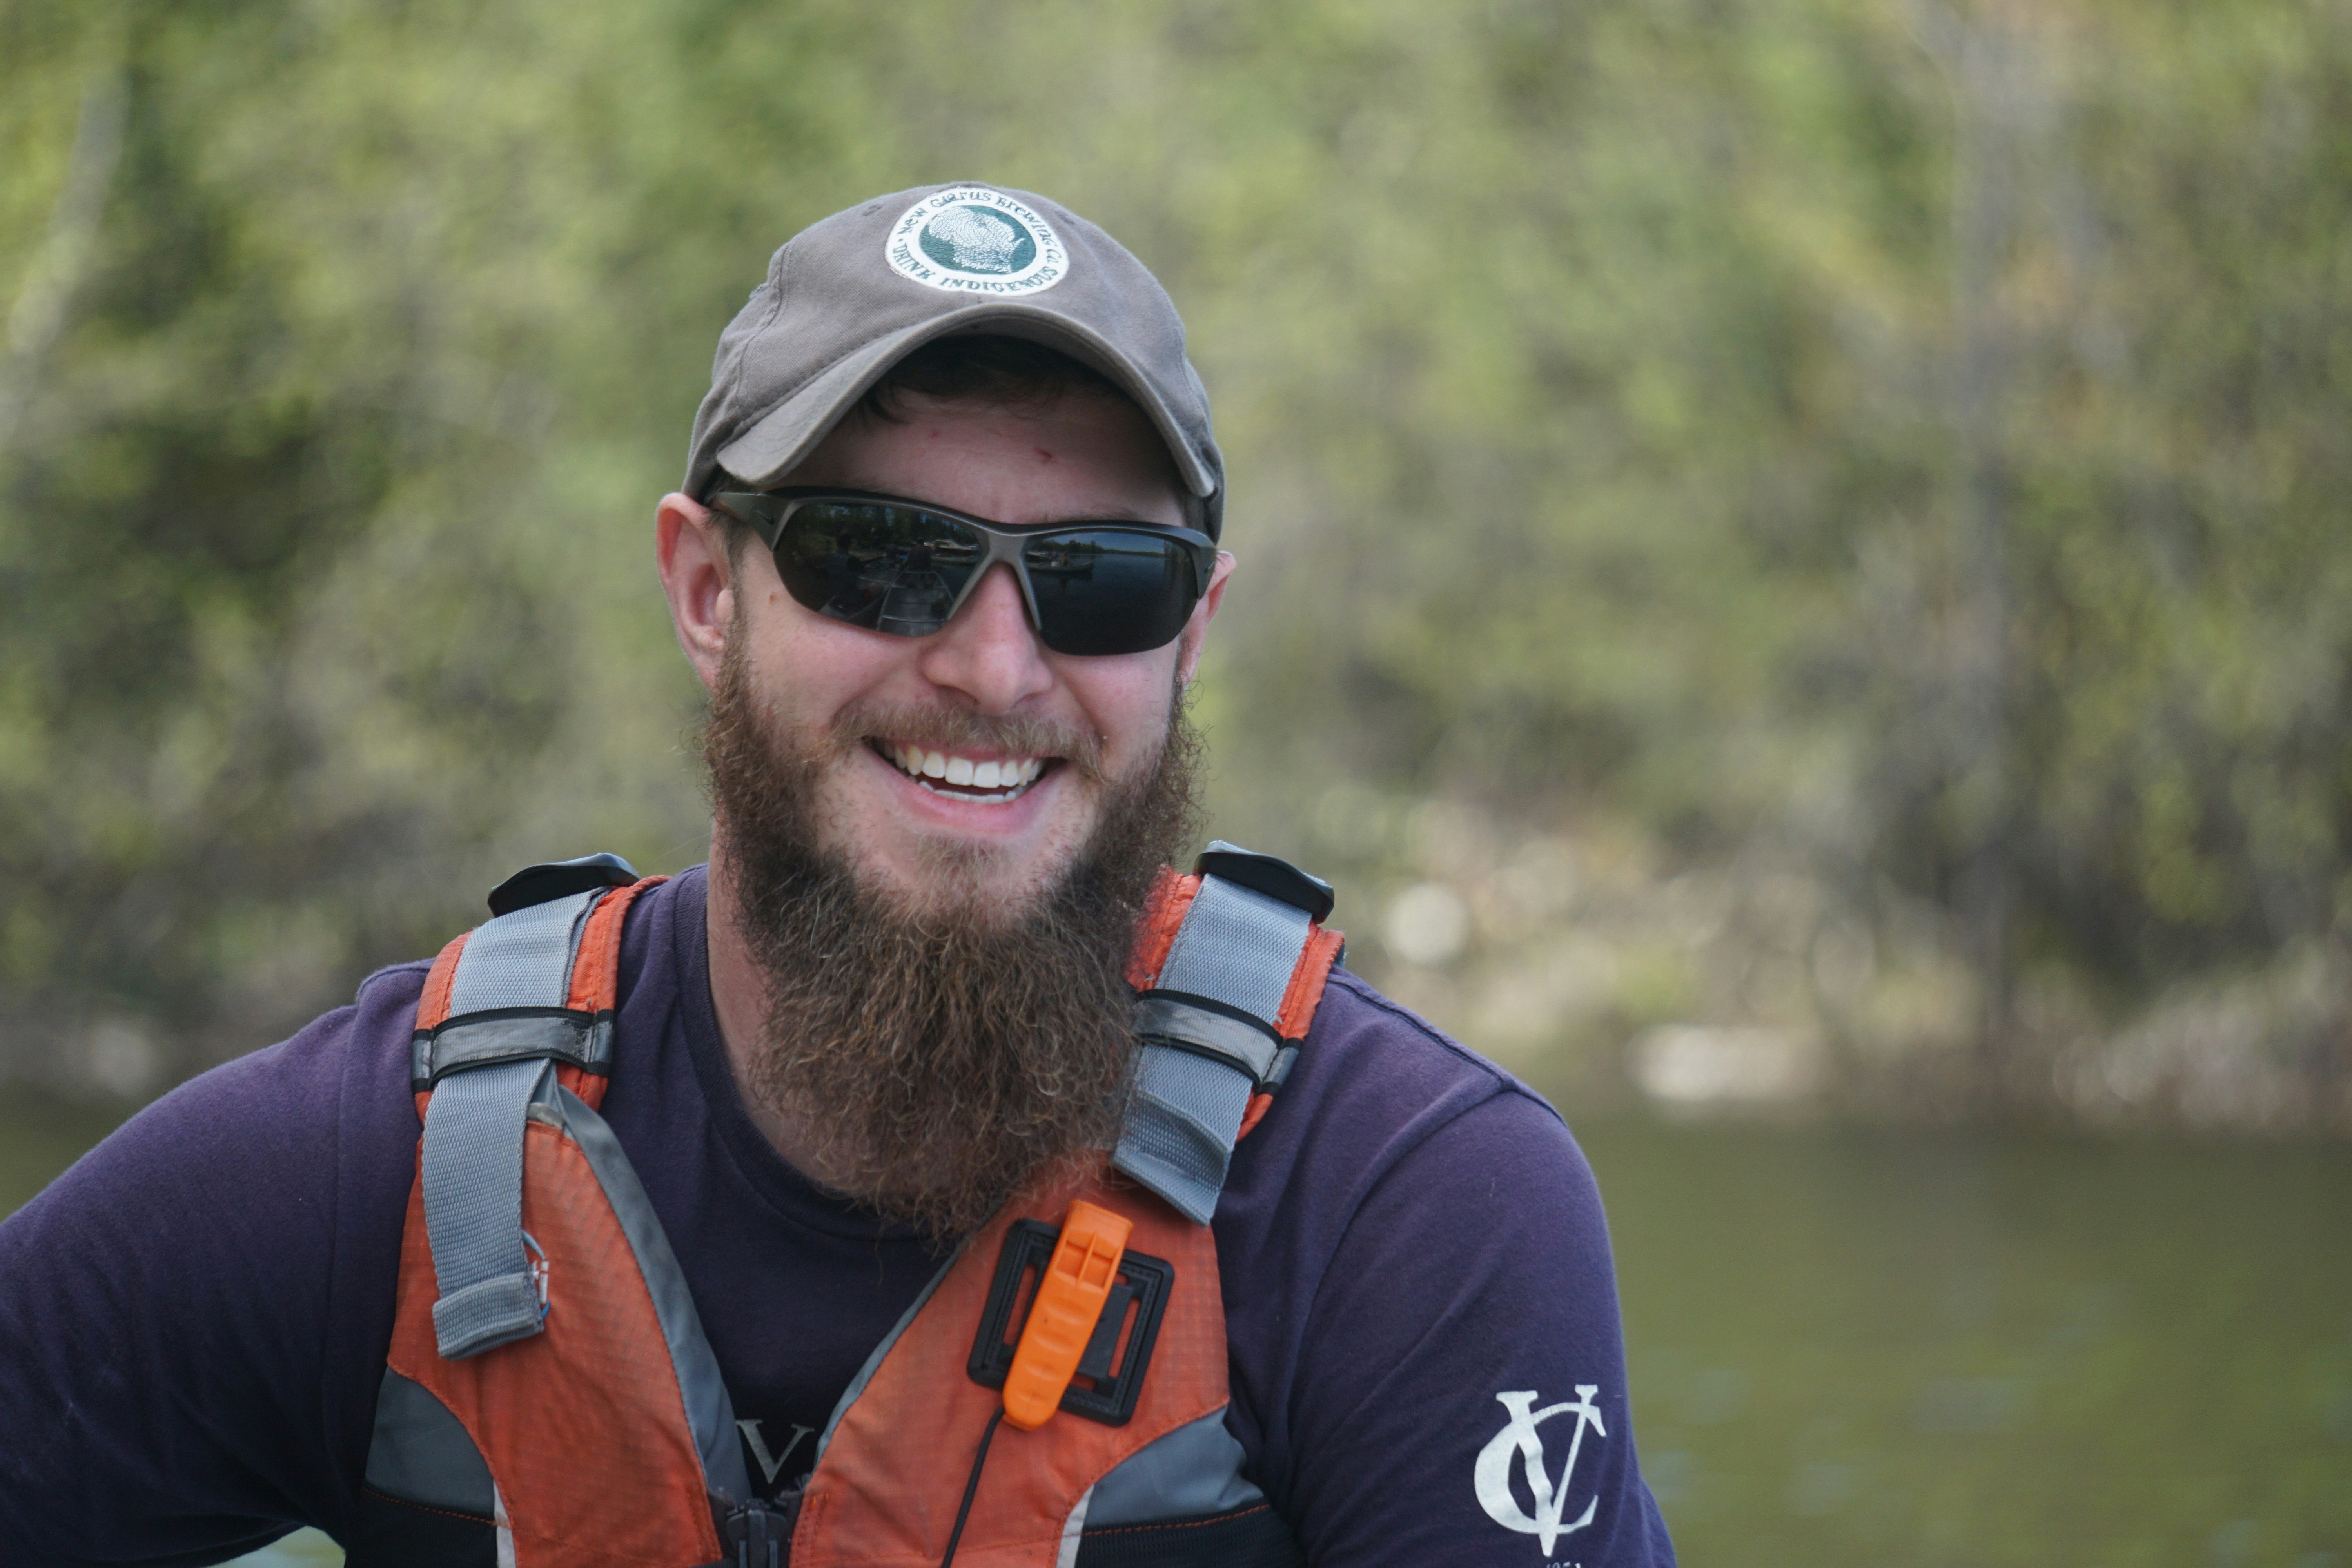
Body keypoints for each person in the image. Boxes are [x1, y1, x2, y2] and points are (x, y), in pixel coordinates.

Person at [0, 184, 1676, 1566]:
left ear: (1190, 637)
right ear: (706, 592)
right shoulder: (373, 1173)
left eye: (1101, 579)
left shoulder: (1411, 1208)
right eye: (883, 558)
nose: (996, 669)